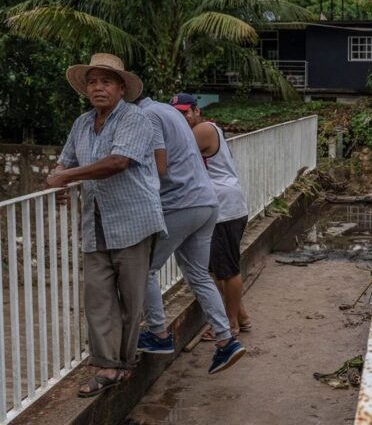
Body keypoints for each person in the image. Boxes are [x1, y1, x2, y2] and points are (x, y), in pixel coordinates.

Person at [48, 53, 166, 397]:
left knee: (130, 297)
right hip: (96, 220)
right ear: (86, 89)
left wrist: (66, 176)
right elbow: (65, 161)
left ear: (120, 88)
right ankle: (107, 365)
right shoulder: (82, 124)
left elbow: (118, 161)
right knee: (98, 295)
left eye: (106, 81)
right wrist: (57, 181)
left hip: (134, 219)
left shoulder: (136, 119)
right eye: (92, 82)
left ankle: (123, 363)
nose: (98, 87)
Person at [134, 95, 246, 374]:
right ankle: (226, 339)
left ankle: (158, 334)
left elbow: (160, 166)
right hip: (209, 203)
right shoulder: (173, 118)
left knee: (144, 269)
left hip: (185, 203)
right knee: (199, 274)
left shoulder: (151, 117)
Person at [169, 93, 252, 339]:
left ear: (196, 111)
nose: (180, 119)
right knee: (215, 270)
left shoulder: (203, 129)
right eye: (175, 115)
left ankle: (229, 325)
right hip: (217, 207)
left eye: (184, 113)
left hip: (224, 208)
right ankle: (242, 317)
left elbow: (173, 156)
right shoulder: (203, 129)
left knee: (228, 270)